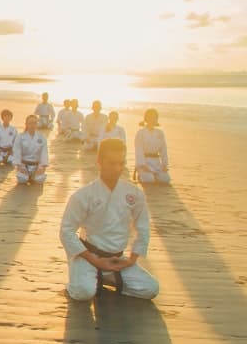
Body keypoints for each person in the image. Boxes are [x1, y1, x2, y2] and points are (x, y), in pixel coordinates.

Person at [60, 138, 158, 301]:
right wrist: (95, 261)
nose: (117, 168)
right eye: (112, 163)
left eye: (121, 163)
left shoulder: (133, 194)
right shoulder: (83, 195)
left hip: (118, 259)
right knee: (83, 293)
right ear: (99, 162)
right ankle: (80, 277)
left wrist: (131, 259)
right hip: (89, 256)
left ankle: (105, 278)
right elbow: (66, 231)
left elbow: (143, 227)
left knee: (151, 289)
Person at [134, 108, 171, 184]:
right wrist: (142, 164)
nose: (153, 119)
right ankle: (141, 174)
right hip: (144, 162)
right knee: (149, 179)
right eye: (151, 117)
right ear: (146, 118)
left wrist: (164, 164)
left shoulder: (160, 133)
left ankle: (155, 175)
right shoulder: (141, 133)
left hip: (156, 162)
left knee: (166, 179)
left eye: (155, 117)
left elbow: (163, 149)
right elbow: (138, 150)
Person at [13, 114, 49, 184]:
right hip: (23, 164)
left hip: (37, 165)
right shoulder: (20, 137)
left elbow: (44, 153)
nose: (32, 125)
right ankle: (27, 176)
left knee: (40, 180)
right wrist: (19, 166)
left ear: (37, 124)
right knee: (22, 179)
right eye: (30, 123)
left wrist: (42, 167)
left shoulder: (42, 137)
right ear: (26, 124)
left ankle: (33, 176)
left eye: (35, 123)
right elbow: (17, 152)